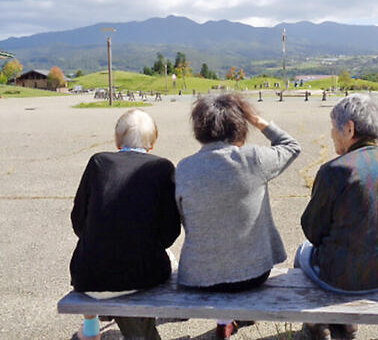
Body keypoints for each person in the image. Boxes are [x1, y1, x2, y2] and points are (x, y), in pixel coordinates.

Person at [176, 93, 301, 339]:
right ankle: (231, 318)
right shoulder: (253, 158)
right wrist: (259, 121)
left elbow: (185, 219)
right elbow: (292, 146)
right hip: (253, 275)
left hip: (199, 277)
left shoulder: (184, 168)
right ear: (239, 125)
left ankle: (227, 320)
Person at [297, 93, 378, 340]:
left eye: (333, 128)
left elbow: (312, 230)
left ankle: (318, 324)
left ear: (349, 129)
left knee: (301, 253)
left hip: (341, 279)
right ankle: (348, 324)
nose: (331, 134)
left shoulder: (334, 170)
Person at [70, 109, 181, 340]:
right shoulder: (162, 168)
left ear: (117, 140)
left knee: (94, 250)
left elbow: (78, 222)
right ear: (152, 143)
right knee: (161, 257)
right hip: (143, 276)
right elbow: (170, 232)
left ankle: (91, 328)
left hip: (88, 276)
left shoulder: (98, 162)